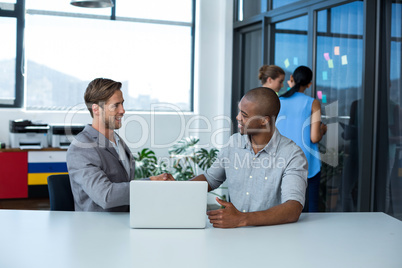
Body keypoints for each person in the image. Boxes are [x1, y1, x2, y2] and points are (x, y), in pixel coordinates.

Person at [191, 87, 308, 228]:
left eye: (244, 115)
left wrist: (242, 219)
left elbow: (293, 208)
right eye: (240, 111)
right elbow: (210, 179)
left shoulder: (292, 155)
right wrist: (176, 188)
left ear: (264, 121)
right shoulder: (233, 143)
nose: (238, 117)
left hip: (274, 237)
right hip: (235, 235)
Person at [66, 78, 173, 212]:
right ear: (96, 109)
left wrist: (156, 181)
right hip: (97, 228)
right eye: (116, 105)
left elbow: (124, 186)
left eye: (122, 104)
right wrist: (150, 183)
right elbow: (106, 196)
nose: (122, 110)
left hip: (124, 223)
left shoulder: (117, 141)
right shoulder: (81, 148)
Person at [276, 66, 327, 212]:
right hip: (307, 162)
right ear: (309, 84)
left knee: (283, 208)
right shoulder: (312, 103)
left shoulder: (277, 101)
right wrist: (323, 129)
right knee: (310, 209)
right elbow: (315, 137)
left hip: (282, 160)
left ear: (291, 79)